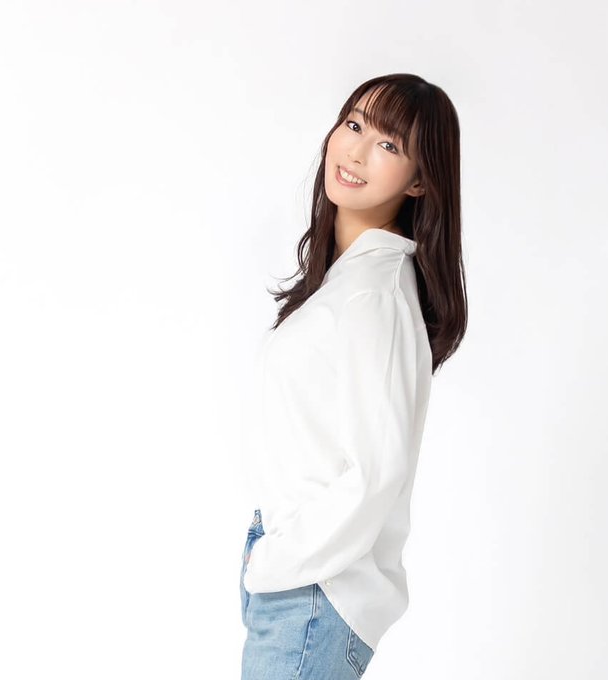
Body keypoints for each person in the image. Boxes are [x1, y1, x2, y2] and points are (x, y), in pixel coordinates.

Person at [238, 72, 467, 679]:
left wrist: (277, 561)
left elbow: (377, 472)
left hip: (315, 590)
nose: (358, 151)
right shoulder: (350, 283)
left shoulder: (374, 294)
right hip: (300, 581)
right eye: (354, 124)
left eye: (389, 144)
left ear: (420, 180)